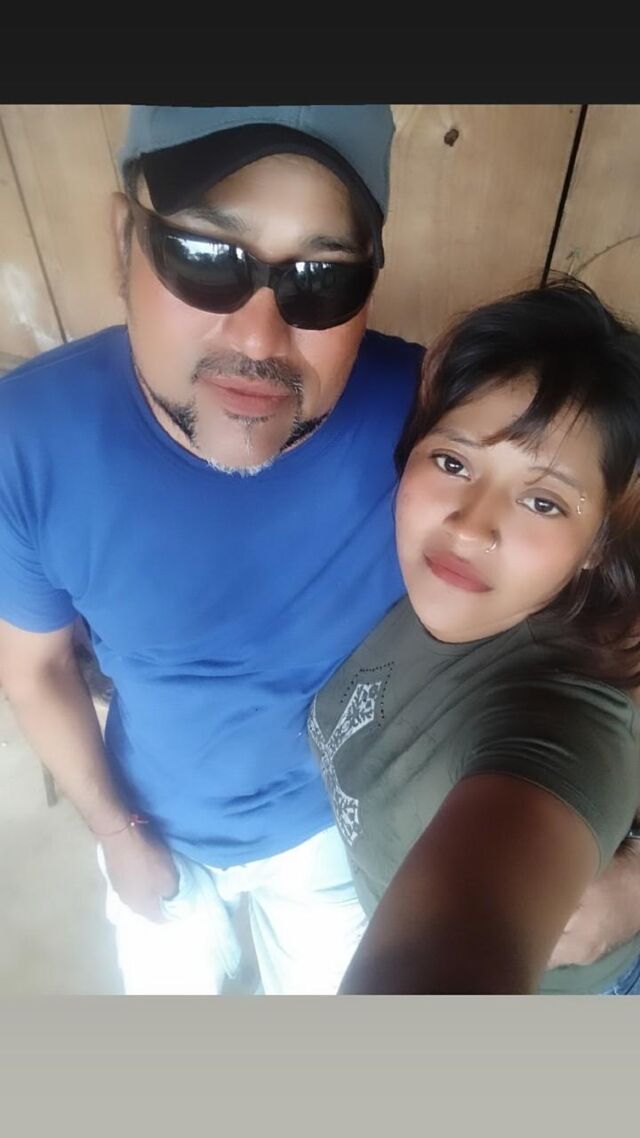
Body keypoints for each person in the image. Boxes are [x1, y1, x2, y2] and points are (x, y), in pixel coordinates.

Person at [0, 105, 424, 994]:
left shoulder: (433, 431)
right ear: (123, 241)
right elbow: (34, 670)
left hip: (332, 830)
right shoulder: (26, 442)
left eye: (320, 277)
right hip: (151, 821)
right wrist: (114, 832)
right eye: (204, 255)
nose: (259, 339)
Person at [308, 278, 640, 994]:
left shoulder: (562, 720)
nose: (470, 526)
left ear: (596, 545)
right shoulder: (412, 581)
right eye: (453, 462)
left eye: (544, 501)